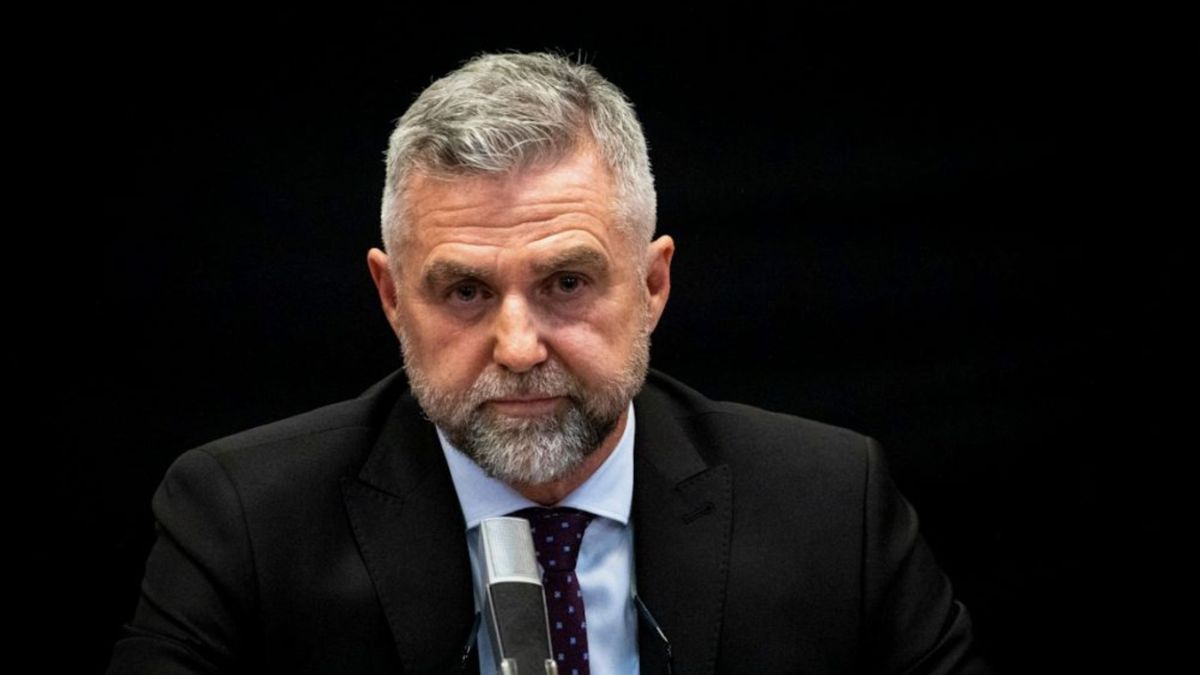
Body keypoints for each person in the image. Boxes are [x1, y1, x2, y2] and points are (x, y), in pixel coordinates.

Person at [109, 52, 988, 674]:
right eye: (464, 291)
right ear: (391, 297)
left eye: (567, 282)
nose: (519, 346)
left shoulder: (831, 504)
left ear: (653, 283)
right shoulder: (243, 523)